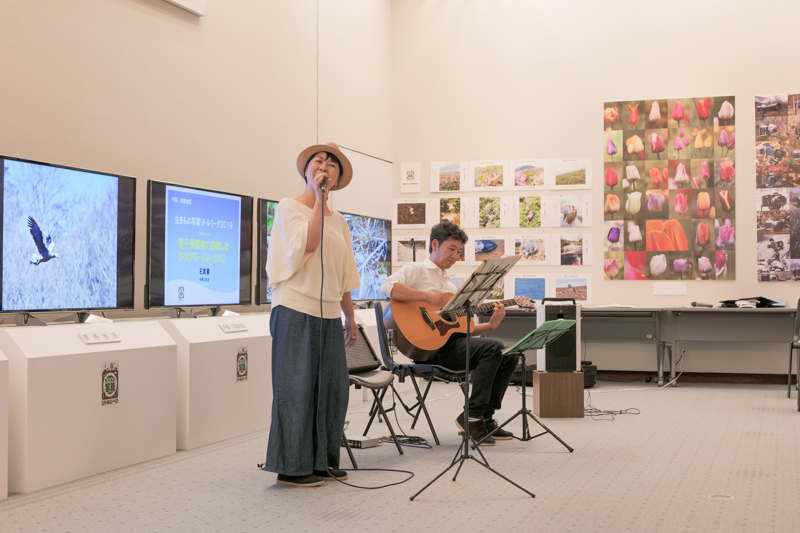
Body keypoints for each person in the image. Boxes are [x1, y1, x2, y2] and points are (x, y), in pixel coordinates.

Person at [264, 142, 360, 487]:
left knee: (333, 389)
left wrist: (350, 317)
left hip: (329, 313)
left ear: (338, 177)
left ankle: (321, 461)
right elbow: (308, 245)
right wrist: (319, 201)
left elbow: (345, 273)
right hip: (294, 307)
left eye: (332, 165)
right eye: (319, 161)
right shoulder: (290, 207)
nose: (325, 167)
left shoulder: (342, 222)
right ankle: (292, 468)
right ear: (307, 171)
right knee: (297, 389)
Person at [380, 221, 518, 446]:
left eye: (459, 252)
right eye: (452, 249)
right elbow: (387, 287)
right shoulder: (416, 270)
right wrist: (427, 297)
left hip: (450, 346)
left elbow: (461, 330)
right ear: (435, 244)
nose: (455, 256)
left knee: (507, 352)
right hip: (428, 349)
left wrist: (490, 326)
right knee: (493, 348)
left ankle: (485, 417)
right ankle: (471, 417)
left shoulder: (451, 287)